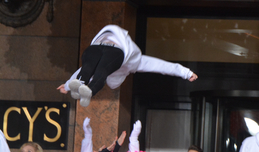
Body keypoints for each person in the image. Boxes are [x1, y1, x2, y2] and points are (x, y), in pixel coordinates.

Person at [57, 24, 198, 107]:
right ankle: (88, 90)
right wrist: (185, 72)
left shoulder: (129, 65)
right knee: (99, 71)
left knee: (89, 69)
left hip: (96, 46)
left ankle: (82, 86)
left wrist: (68, 85)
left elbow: (82, 69)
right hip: (111, 48)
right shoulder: (132, 64)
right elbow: (160, 66)